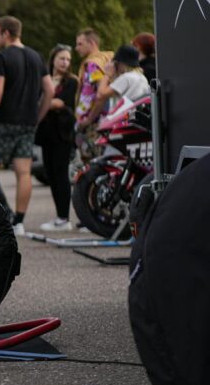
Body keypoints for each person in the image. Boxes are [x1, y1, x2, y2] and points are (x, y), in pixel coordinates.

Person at [0, 16, 55, 236]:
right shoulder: (36, 57)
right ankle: (19, 222)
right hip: (27, 122)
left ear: (5, 33)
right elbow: (49, 90)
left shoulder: (1, 57)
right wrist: (38, 116)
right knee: (23, 172)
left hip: (2, 121)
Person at [35, 45, 79, 232]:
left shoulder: (71, 81)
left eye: (68, 59)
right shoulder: (44, 79)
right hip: (46, 134)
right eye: (62, 58)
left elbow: (61, 102)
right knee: (51, 174)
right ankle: (59, 217)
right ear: (53, 59)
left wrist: (46, 103)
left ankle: (64, 218)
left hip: (63, 133)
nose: (65, 62)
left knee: (61, 175)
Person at [77, 45, 151, 131]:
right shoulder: (141, 77)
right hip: (134, 120)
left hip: (120, 120)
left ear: (120, 63)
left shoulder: (126, 77)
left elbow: (101, 94)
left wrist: (107, 74)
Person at [73, 28, 113, 163]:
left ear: (91, 43)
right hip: (106, 119)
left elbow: (101, 94)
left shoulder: (93, 64)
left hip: (93, 124)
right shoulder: (106, 59)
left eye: (80, 44)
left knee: (92, 164)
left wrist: (89, 119)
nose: (76, 48)